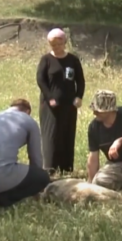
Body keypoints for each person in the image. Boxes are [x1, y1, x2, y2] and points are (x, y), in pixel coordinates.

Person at [36, 28, 86, 176]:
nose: (56, 47)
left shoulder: (73, 60)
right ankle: (50, 168)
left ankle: (66, 168)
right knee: (51, 135)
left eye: (59, 44)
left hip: (69, 105)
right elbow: (41, 80)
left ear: (64, 43)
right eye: (53, 45)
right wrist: (50, 97)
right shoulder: (46, 60)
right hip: (50, 106)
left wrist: (79, 97)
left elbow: (80, 81)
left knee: (67, 133)